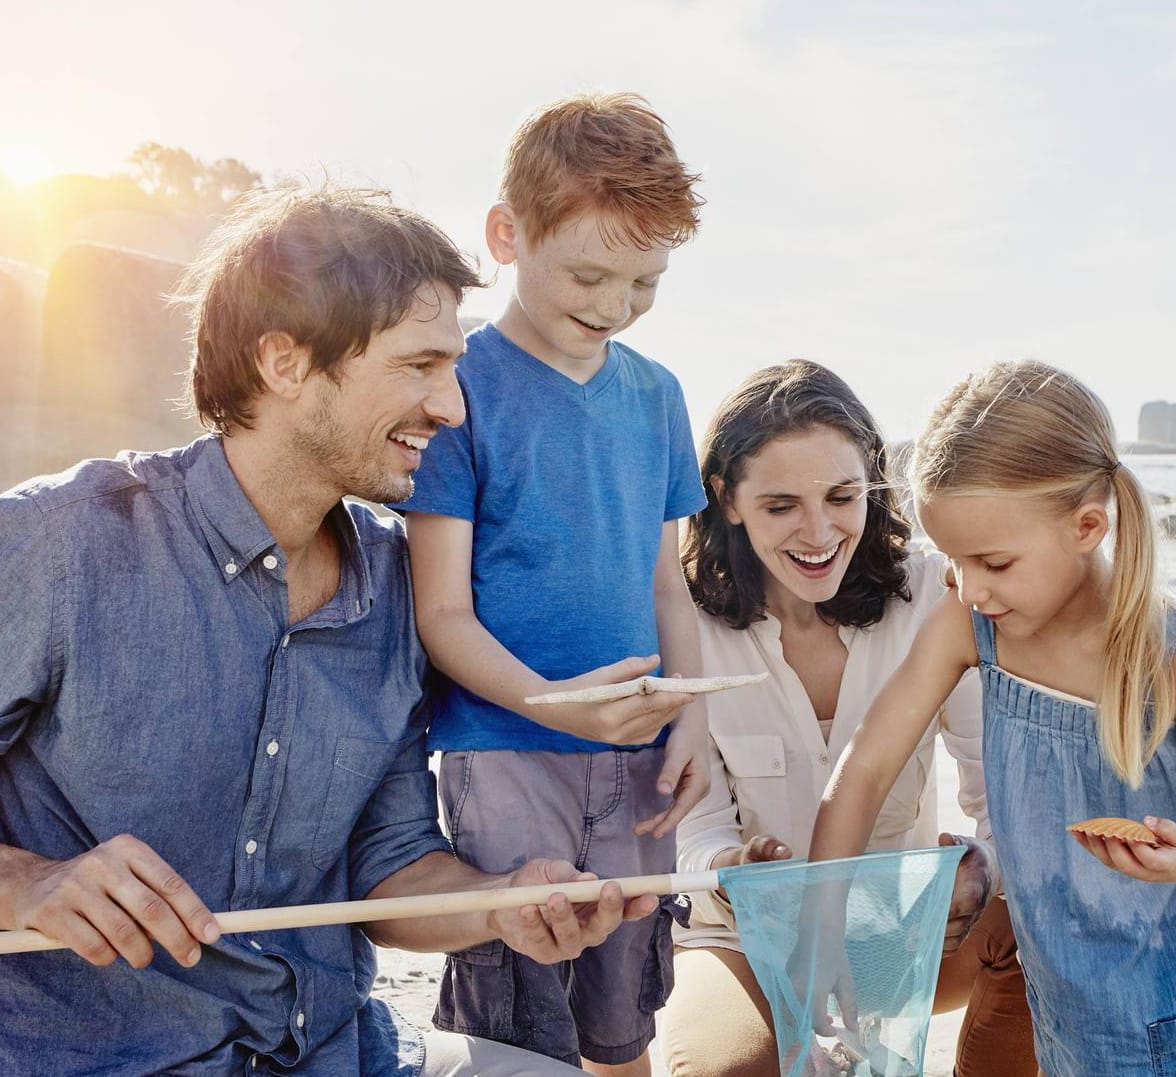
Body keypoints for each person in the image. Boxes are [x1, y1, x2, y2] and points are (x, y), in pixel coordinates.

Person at [0, 186, 659, 1077]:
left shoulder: (396, 590)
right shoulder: (58, 542)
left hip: (336, 1053)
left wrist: (501, 902)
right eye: (418, 365)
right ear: (283, 361)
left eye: (452, 367)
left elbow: (388, 872)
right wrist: (30, 882)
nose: (452, 406)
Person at [809, 360, 1176, 1077]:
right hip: (1057, 970)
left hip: (1170, 982)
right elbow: (865, 764)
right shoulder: (969, 624)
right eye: (954, 560)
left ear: (1086, 526)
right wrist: (825, 910)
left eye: (992, 560)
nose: (968, 585)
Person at [394, 93, 708, 1077]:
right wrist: (554, 707)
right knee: (514, 1022)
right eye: (588, 273)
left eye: (645, 284)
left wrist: (691, 716)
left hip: (639, 766)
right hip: (505, 755)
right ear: (506, 235)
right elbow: (440, 612)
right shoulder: (459, 389)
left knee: (624, 1015)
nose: (614, 306)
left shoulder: (656, 396)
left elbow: (668, 582)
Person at [661, 360, 1038, 1077]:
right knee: (723, 1071)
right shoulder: (685, 622)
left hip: (898, 927)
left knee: (1046, 927)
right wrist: (735, 870)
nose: (817, 531)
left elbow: (999, 789)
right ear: (726, 499)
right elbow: (696, 833)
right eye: (779, 505)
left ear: (871, 478)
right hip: (744, 938)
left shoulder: (934, 594)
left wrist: (981, 868)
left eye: (841, 495)